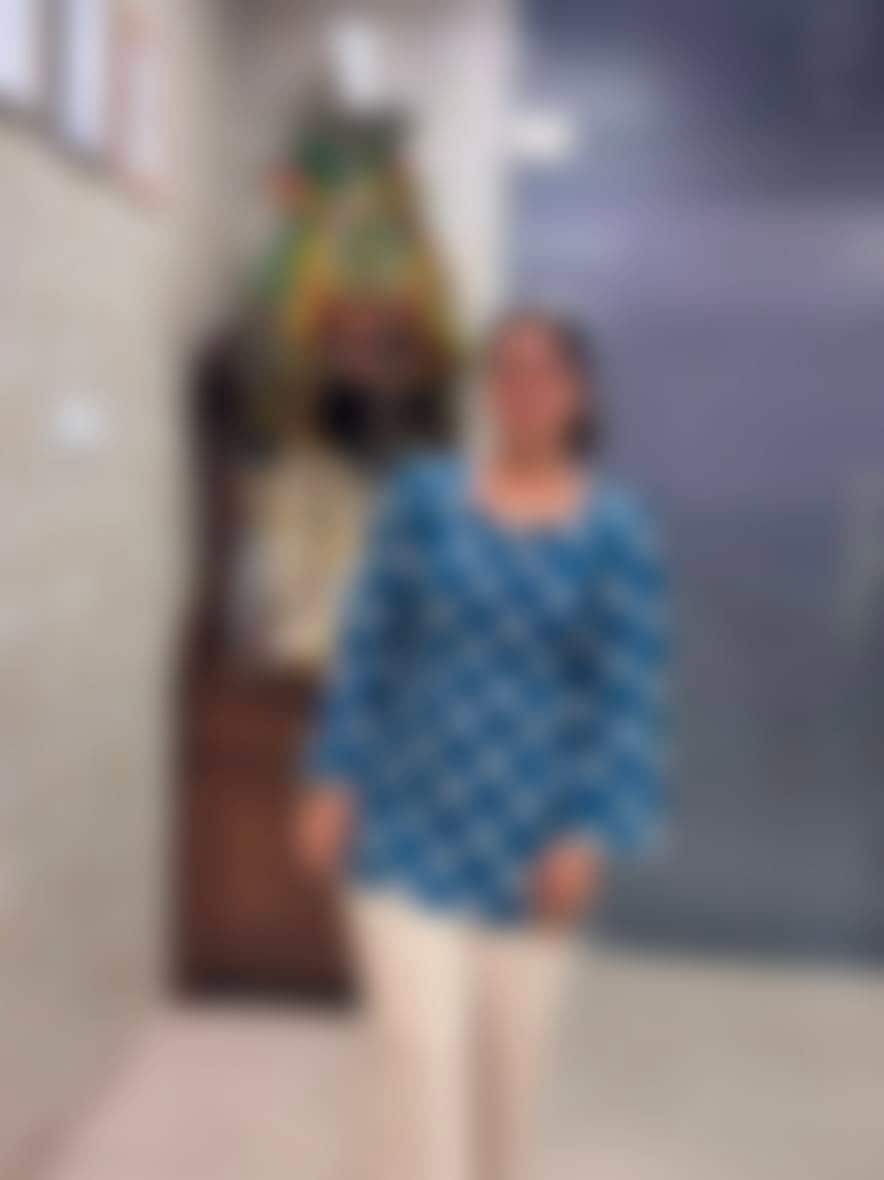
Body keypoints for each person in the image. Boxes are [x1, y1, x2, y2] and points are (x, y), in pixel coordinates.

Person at [291, 309, 670, 1180]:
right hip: (405, 820)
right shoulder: (423, 499)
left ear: (578, 392)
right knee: (418, 1060)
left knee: (509, 1082)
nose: (521, 389)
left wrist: (588, 833)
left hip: (534, 843)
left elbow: (627, 696)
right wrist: (331, 776)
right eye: (504, 370)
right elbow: (370, 644)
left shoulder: (617, 532)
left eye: (543, 372)